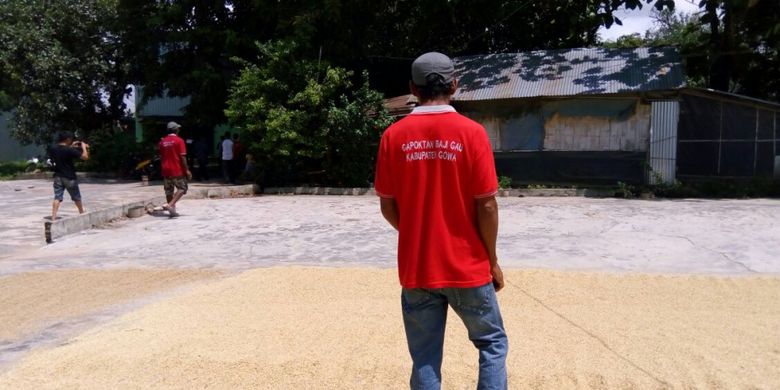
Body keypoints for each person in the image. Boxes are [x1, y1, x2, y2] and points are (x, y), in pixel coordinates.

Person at [374, 52, 508, 390]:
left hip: (418, 268)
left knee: (424, 356)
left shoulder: (393, 136)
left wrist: (419, 233)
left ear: (412, 89)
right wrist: (491, 261)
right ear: (454, 85)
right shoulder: (472, 133)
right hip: (468, 267)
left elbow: (387, 205)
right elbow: (487, 206)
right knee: (492, 344)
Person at [49, 131, 89, 221]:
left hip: (58, 176)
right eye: (71, 139)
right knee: (76, 197)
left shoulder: (53, 148)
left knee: (57, 197)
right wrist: (83, 147)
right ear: (67, 139)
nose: (72, 141)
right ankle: (81, 212)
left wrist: (72, 146)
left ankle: (53, 217)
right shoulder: (69, 150)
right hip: (69, 176)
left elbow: (62, 150)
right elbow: (85, 157)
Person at [158, 121, 191, 217]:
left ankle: (172, 211)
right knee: (182, 188)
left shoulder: (162, 142)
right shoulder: (179, 141)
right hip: (176, 169)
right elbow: (183, 157)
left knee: (169, 191)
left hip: (165, 169)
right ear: (176, 130)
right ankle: (170, 205)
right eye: (178, 128)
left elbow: (161, 156)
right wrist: (187, 170)